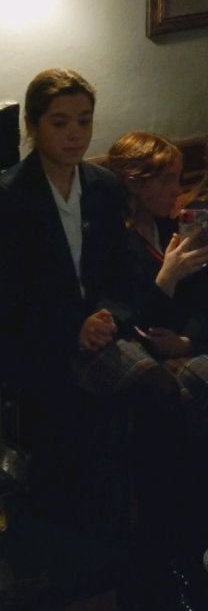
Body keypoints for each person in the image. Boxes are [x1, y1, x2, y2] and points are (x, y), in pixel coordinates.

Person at [0, 69, 208, 611]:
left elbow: (117, 278)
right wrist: (71, 328)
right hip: (42, 341)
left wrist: (108, 317)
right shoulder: (7, 195)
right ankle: (151, 557)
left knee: (169, 394)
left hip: (101, 330)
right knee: (155, 392)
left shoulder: (102, 187)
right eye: (60, 123)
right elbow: (6, 297)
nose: (74, 134)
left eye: (83, 121)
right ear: (33, 125)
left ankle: (169, 550)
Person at [105, 131, 208, 419]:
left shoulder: (169, 228)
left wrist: (187, 341)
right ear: (134, 183)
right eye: (167, 180)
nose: (177, 189)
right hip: (149, 354)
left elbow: (200, 298)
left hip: (188, 340)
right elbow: (135, 323)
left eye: (178, 178)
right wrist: (166, 279)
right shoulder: (117, 241)